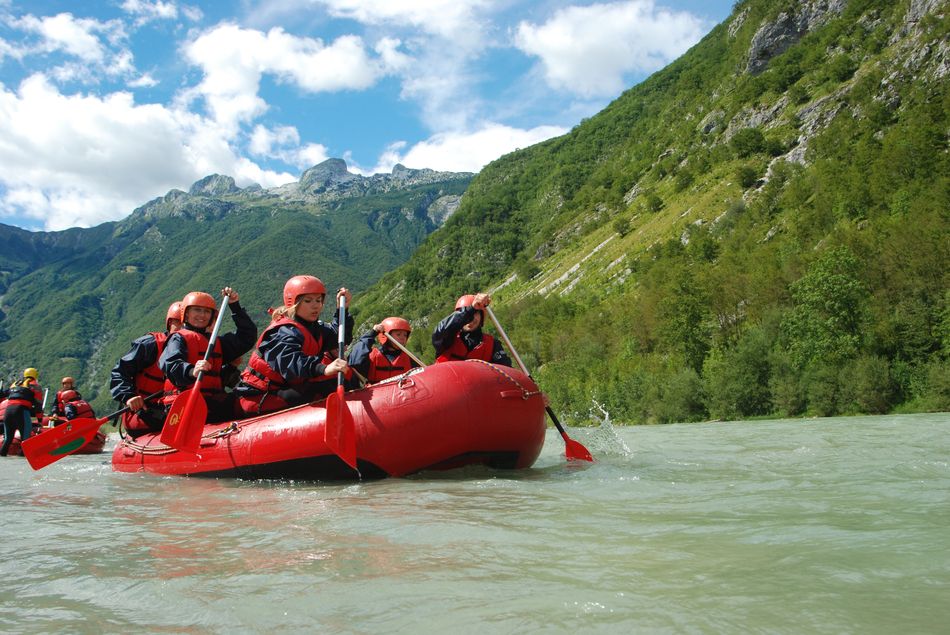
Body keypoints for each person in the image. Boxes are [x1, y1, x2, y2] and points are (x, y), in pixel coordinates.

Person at [234, 275, 353, 416]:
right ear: (294, 303)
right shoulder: (283, 332)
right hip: (259, 395)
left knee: (341, 382)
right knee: (307, 394)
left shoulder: (314, 327)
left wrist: (342, 310)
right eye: (308, 301)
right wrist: (323, 369)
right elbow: (290, 362)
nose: (316, 305)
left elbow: (338, 337)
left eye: (319, 300)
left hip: (284, 386)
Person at [160, 288, 257, 424]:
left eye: (207, 311)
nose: (202, 315)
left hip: (214, 400)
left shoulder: (217, 343)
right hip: (185, 404)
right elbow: (170, 363)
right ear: (186, 314)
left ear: (212, 316)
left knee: (251, 400)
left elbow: (247, 337)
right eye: (197, 310)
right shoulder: (178, 338)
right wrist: (191, 370)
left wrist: (235, 306)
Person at [109, 301, 182, 438]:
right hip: (145, 412)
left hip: (177, 411)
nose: (184, 328)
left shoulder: (196, 349)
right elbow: (119, 372)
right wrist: (129, 396)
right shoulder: (150, 345)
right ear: (170, 322)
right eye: (180, 323)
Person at [432, 293, 512, 366]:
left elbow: (506, 370)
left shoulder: (492, 345)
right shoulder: (447, 339)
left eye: (476, 313)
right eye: (467, 316)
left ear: (482, 317)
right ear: (459, 317)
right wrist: (471, 310)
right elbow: (439, 331)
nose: (470, 319)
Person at [348, 317, 419, 383]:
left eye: (405, 335)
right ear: (386, 336)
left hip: (402, 394)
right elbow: (355, 361)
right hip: (378, 394)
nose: (403, 338)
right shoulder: (372, 358)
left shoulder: (411, 359)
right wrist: (372, 333)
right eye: (398, 334)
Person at [1, 368, 44, 456]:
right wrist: (39, 421)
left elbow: (4, 394)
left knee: (8, 439)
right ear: (35, 376)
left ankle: (2, 456)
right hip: (21, 411)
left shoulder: (15, 384)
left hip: (8, 412)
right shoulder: (36, 386)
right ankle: (22, 461)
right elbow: (38, 405)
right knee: (25, 441)